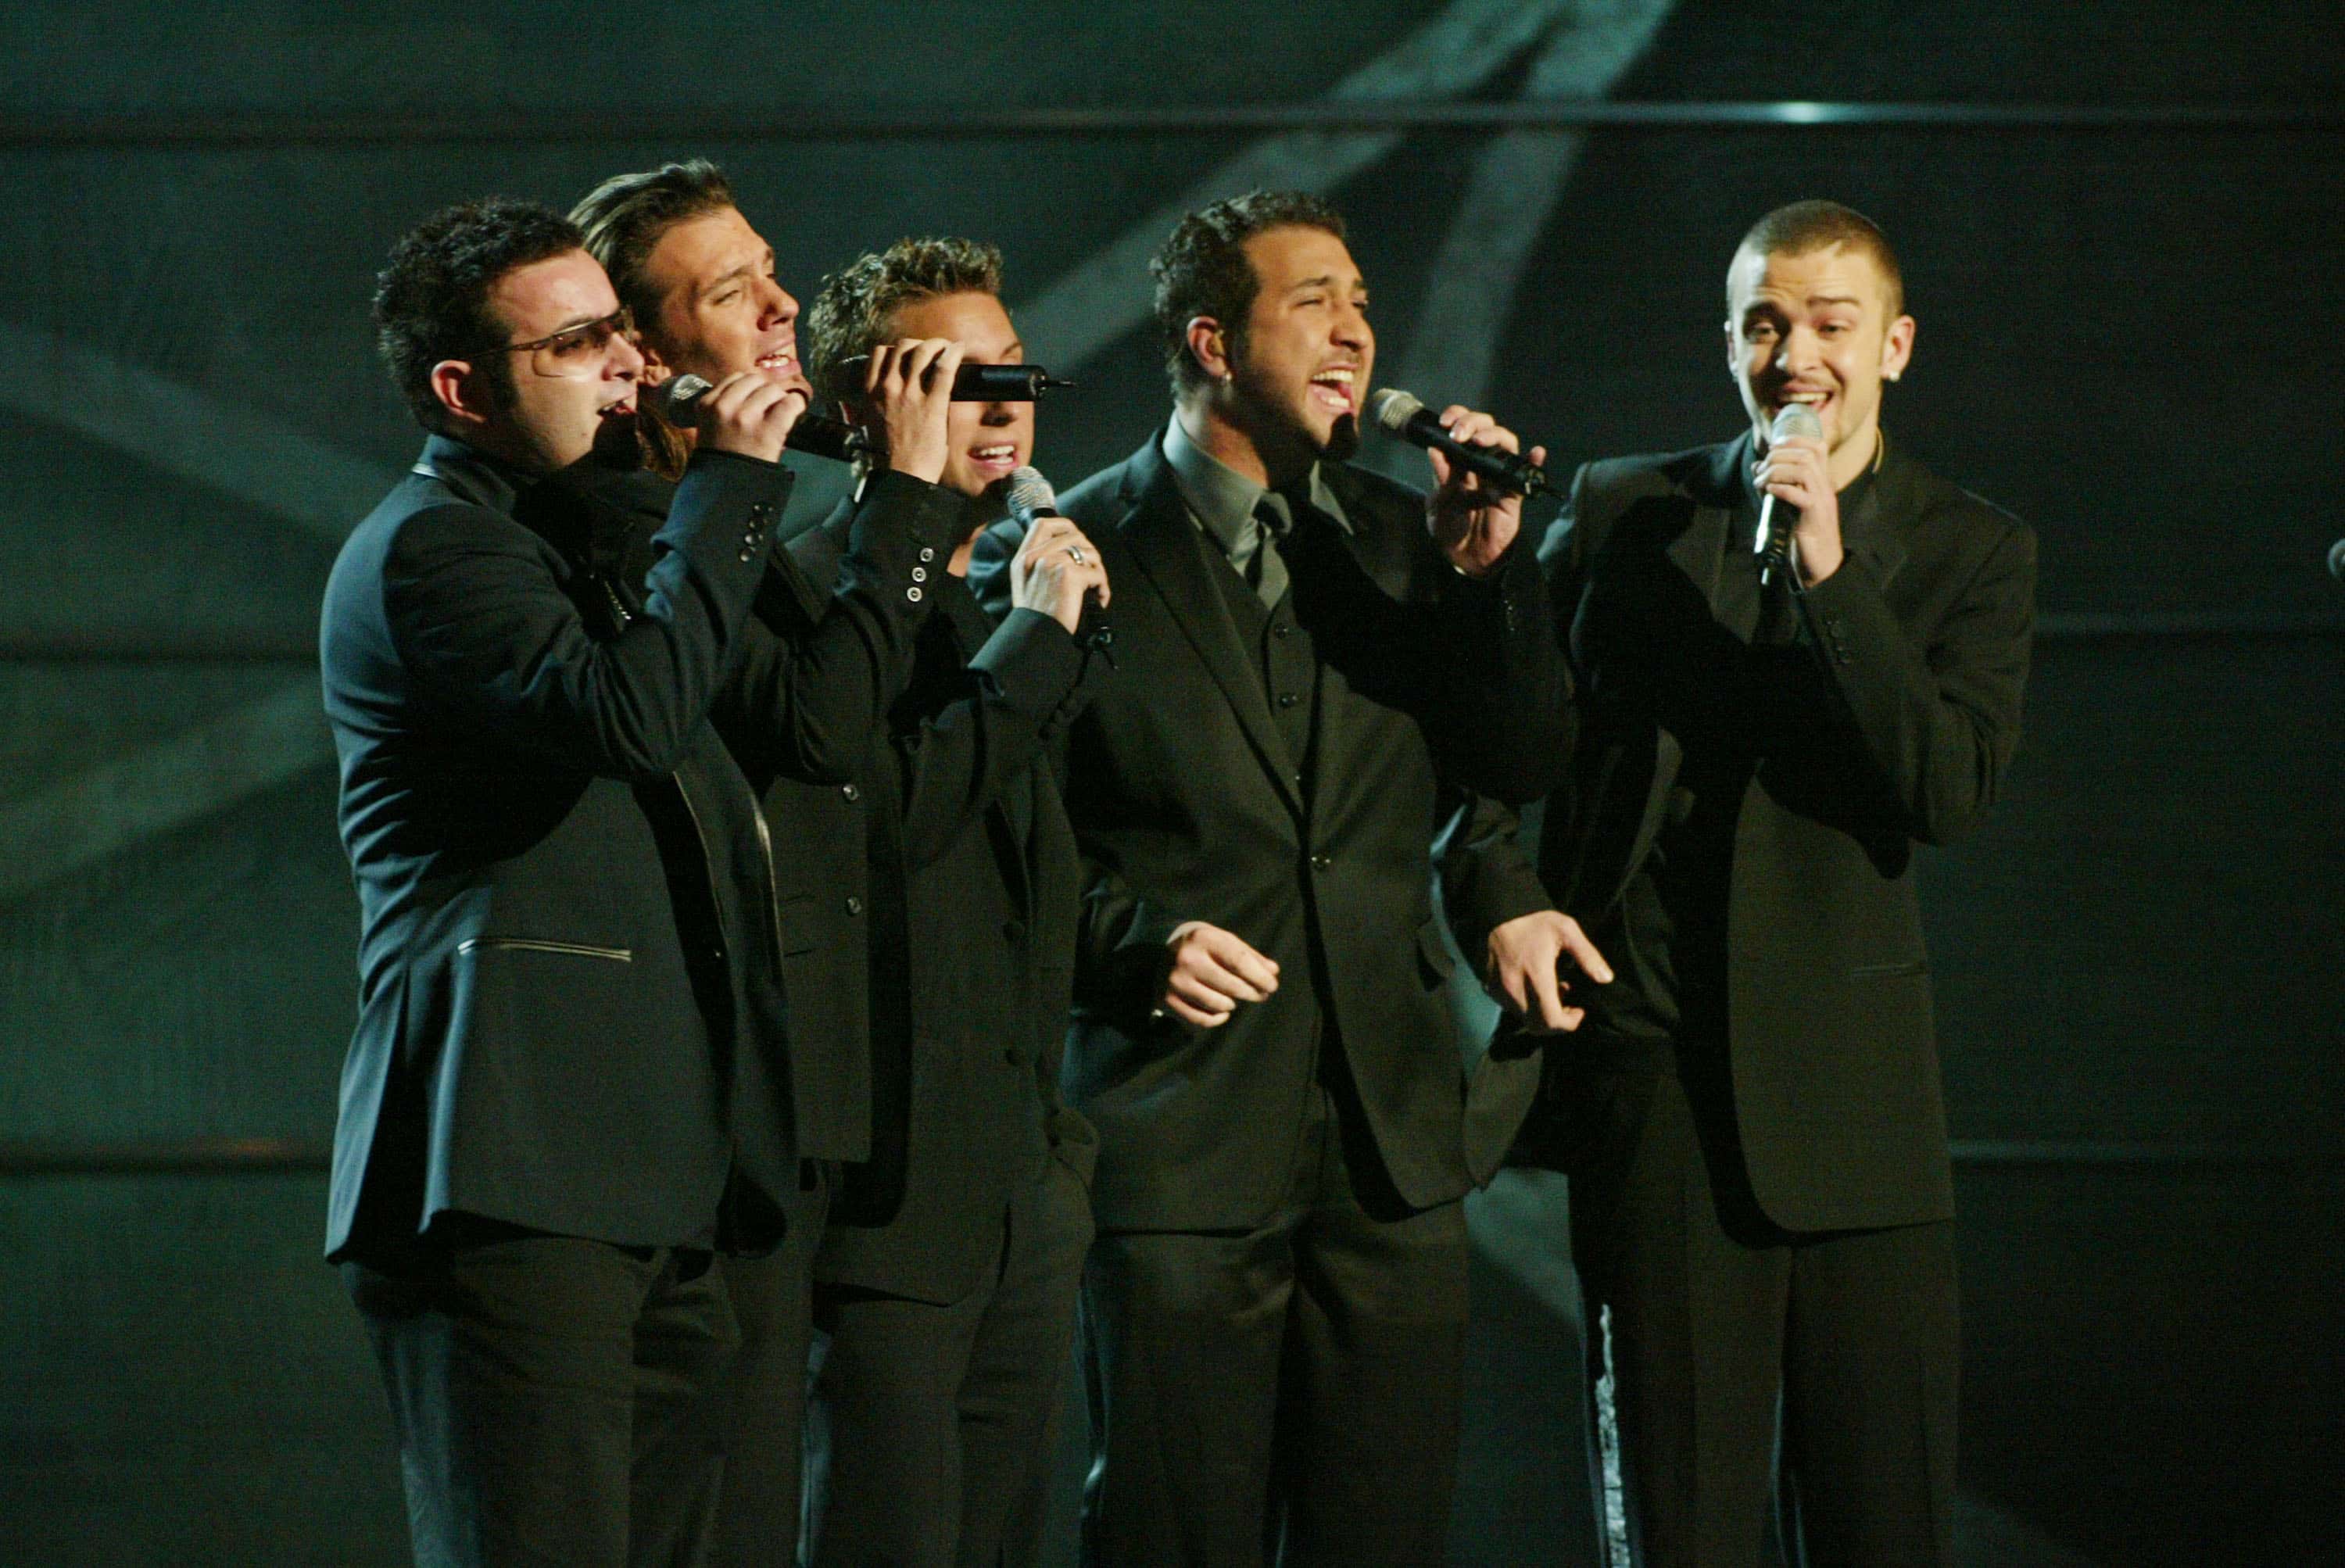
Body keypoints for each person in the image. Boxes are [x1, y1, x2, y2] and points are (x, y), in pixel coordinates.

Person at [970, 188, 1590, 1566]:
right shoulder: (1070, 548)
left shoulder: (1409, 538)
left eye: (1363, 304)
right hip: (1179, 1131)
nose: (1356, 330)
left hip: (1389, 1134)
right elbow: (1003, 836)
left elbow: (1515, 762)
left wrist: (1492, 578)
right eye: (1315, 303)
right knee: (1175, 1528)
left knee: (1385, 1528)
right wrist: (1131, 941)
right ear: (1211, 342)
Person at [322, 195, 938, 1566]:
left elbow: (805, 722)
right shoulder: (434, 547)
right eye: (577, 344)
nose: (627, 365)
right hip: (515, 1168)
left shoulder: (590, 534)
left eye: (619, 330)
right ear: (462, 390)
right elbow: (628, 715)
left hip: (668, 1181)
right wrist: (728, 487)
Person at [1453, 199, 2036, 1566]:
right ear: (1728, 345)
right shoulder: (1626, 510)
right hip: (1655, 1085)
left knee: (1881, 1520)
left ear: (1893, 345)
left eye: (1831, 325)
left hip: (1859, 1112)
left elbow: (1943, 789)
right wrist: (1495, 886)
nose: (1797, 358)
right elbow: (1497, 731)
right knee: (1679, 1519)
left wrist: (1831, 576)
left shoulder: (1971, 548)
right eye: (1766, 326)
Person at [566, 159, 973, 1561]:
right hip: (698, 1112)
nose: (786, 306)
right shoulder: (640, 522)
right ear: (641, 349)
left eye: (773, 271)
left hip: (795, 1101)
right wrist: (905, 494)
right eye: (735, 291)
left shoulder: (728, 513)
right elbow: (817, 723)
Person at [780, 235, 1111, 1568]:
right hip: (886, 1205)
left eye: (1013, 373)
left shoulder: (1017, 592)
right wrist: (1032, 650)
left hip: (1023, 1194)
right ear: (863, 403)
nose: (1000, 406)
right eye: (952, 379)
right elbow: (887, 828)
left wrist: (1058, 1167)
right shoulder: (809, 595)